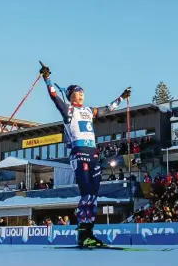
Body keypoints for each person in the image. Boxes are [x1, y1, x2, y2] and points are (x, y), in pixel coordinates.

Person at [40, 63, 130, 247]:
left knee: (94, 193)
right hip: (79, 152)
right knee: (86, 191)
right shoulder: (68, 110)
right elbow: (54, 96)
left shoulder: (88, 111)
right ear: (71, 94)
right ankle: (82, 233)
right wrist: (47, 78)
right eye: (78, 92)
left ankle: (89, 232)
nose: (81, 95)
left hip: (93, 153)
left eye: (83, 92)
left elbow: (108, 108)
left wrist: (121, 97)